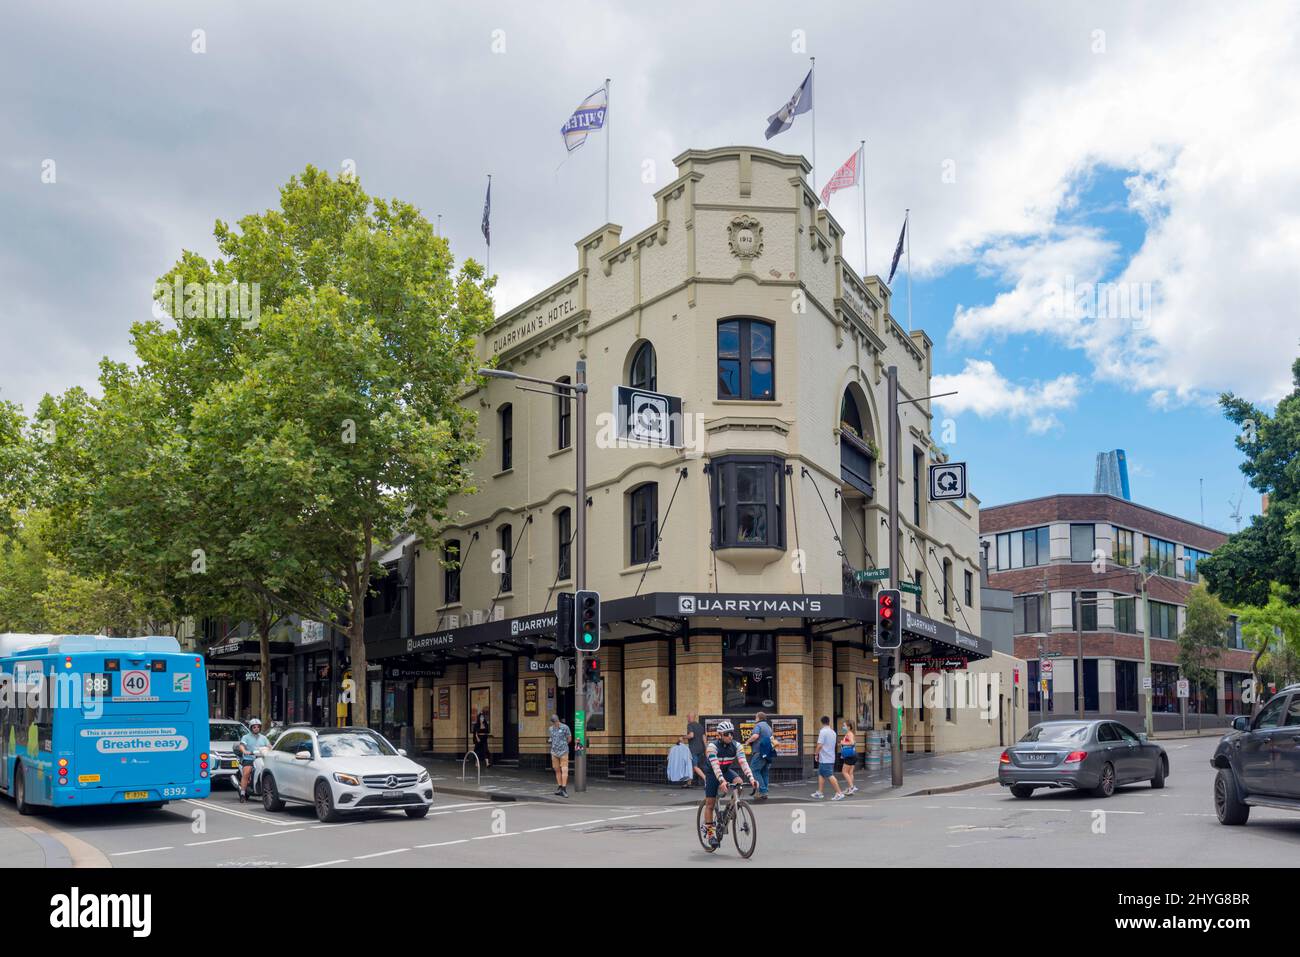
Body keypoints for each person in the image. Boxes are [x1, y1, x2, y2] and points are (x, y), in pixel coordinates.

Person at [700, 720, 758, 849]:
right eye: (727, 734)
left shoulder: (737, 746)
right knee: (710, 803)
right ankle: (710, 835)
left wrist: (752, 778)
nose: (730, 736)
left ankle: (730, 809)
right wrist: (721, 781)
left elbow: (743, 763)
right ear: (719, 735)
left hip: (726, 770)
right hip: (712, 774)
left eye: (731, 733)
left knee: (739, 783)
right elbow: (715, 767)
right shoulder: (712, 747)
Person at [236, 717, 270, 803]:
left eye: (258, 727)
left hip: (261, 758)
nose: (256, 728)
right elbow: (241, 745)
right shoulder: (246, 737)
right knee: (247, 772)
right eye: (254, 727)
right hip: (249, 759)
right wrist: (244, 751)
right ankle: (243, 793)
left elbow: (269, 746)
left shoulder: (263, 737)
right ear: (251, 728)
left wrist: (271, 749)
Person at [811, 715, 844, 801]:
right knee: (821, 774)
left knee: (829, 775)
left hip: (825, 758)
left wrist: (816, 753)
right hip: (829, 757)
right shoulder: (833, 732)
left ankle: (839, 793)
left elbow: (820, 745)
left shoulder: (823, 732)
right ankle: (820, 792)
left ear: (821, 722)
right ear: (829, 722)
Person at [745, 711, 776, 800]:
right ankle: (764, 792)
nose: (755, 719)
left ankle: (762, 790)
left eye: (756, 717)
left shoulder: (758, 726)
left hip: (759, 752)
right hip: (768, 753)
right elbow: (772, 739)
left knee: (754, 770)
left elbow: (755, 736)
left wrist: (747, 741)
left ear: (759, 718)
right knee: (764, 772)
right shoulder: (769, 727)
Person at [547, 713, 572, 797]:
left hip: (563, 752)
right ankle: (560, 787)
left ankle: (564, 789)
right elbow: (551, 737)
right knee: (557, 770)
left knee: (564, 770)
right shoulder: (550, 729)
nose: (554, 724)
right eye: (553, 723)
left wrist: (563, 744)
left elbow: (569, 738)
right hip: (554, 752)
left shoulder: (565, 727)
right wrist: (550, 740)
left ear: (558, 720)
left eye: (555, 722)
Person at [685, 712, 707, 787]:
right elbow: (704, 738)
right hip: (701, 749)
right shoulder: (700, 726)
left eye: (688, 717)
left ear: (691, 717)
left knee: (695, 766)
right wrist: (706, 748)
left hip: (693, 749)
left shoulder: (690, 725)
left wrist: (683, 737)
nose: (687, 718)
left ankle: (706, 779)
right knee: (693, 766)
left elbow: (691, 735)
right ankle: (689, 783)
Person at [839, 719, 858, 795]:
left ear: (849, 727)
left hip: (849, 756)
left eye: (844, 726)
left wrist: (843, 743)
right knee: (850, 773)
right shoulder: (851, 733)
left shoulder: (849, 734)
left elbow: (852, 743)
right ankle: (850, 788)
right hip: (852, 755)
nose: (843, 727)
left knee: (844, 772)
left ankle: (852, 787)